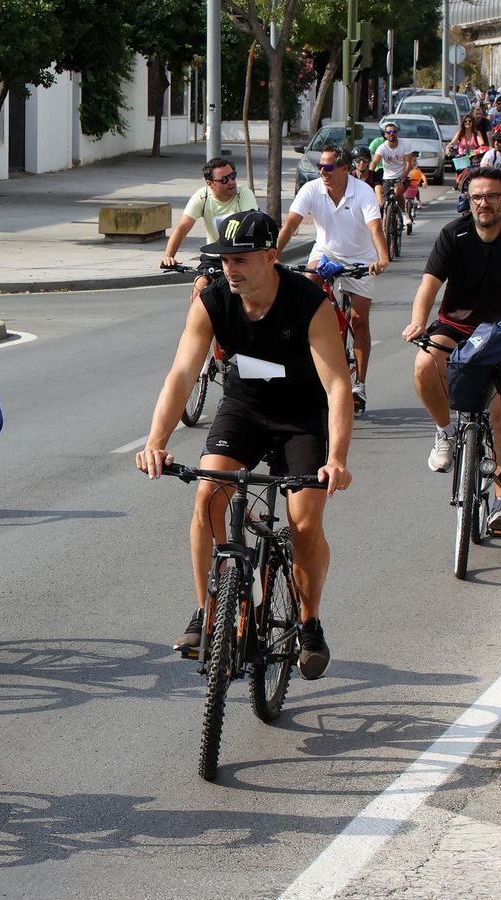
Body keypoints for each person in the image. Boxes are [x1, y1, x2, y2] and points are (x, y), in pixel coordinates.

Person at [137, 210, 355, 680]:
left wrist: (337, 458)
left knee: (304, 523)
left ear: (271, 257)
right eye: (224, 259)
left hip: (301, 416)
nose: (230, 268)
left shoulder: (308, 302)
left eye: (241, 259)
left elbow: (338, 386)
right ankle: (208, 612)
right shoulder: (214, 301)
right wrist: (157, 440)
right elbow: (181, 373)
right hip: (245, 407)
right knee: (208, 494)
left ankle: (309, 622)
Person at [402, 168, 501, 538]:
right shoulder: (454, 234)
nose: (485, 203)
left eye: (492, 196)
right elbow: (428, 286)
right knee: (424, 364)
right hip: (458, 328)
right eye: (477, 197)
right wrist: (418, 321)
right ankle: (445, 432)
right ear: (468, 202)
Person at [276, 147, 390, 413]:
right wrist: (274, 255)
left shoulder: (361, 191)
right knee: (307, 285)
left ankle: (359, 384)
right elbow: (291, 224)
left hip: (361, 257)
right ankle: (308, 342)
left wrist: (382, 258)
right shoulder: (311, 189)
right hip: (325, 251)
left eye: (328, 168)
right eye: (320, 167)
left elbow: (375, 227)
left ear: (344, 169)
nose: (322, 172)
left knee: (359, 321)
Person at [160, 156, 259, 287]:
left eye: (232, 176)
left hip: (242, 254)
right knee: (198, 289)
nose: (231, 182)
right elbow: (182, 228)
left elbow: (252, 224)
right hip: (214, 257)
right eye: (224, 179)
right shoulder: (203, 197)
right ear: (210, 183)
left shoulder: (244, 194)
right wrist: (168, 256)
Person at [373, 122, 417, 209]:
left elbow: (408, 164)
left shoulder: (406, 145)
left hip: (404, 176)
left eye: (394, 131)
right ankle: (386, 221)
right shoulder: (382, 147)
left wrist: (401, 180)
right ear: (385, 135)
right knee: (385, 204)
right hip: (388, 178)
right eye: (389, 132)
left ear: (397, 133)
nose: (391, 134)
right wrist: (370, 174)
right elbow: (374, 162)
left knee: (398, 192)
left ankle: (404, 214)